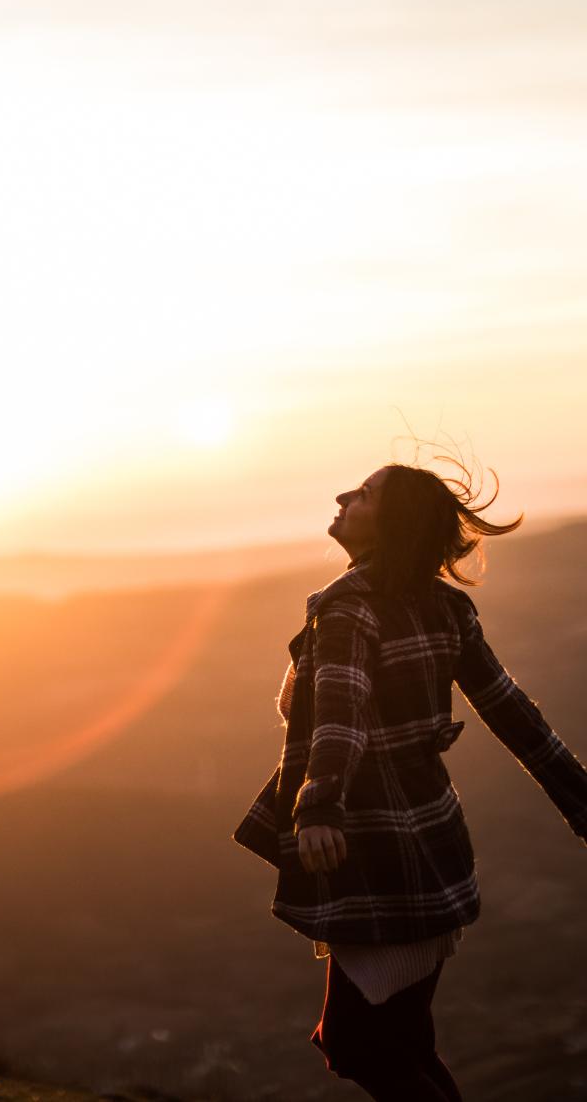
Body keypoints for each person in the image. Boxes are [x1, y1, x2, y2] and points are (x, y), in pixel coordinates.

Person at [234, 459, 587, 1102]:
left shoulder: (347, 609)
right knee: (403, 1046)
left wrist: (318, 806)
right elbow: (517, 717)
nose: (343, 495)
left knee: (362, 1048)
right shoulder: (447, 607)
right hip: (436, 849)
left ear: (390, 523)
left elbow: (340, 716)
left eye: (364, 494)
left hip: (373, 856)